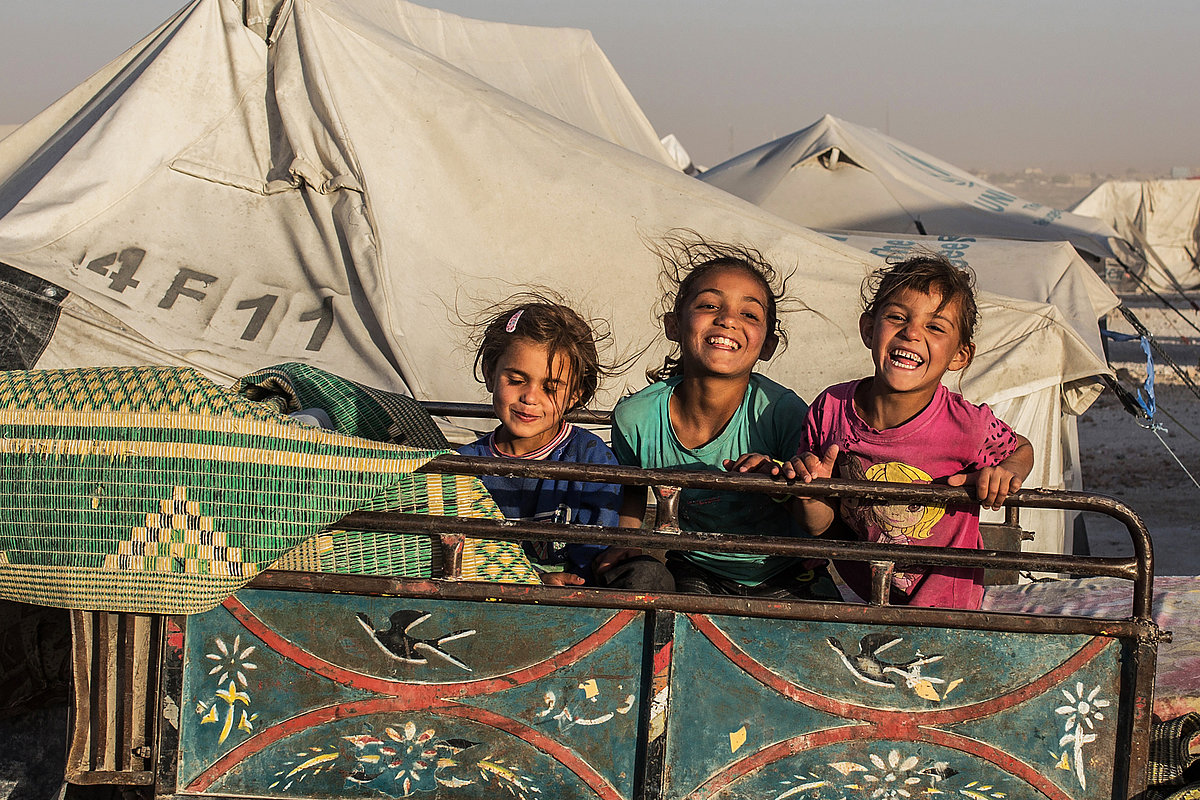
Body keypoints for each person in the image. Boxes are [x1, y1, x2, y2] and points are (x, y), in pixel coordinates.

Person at [732, 252, 1034, 609]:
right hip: (861, 591)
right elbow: (820, 525)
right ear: (868, 329)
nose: (911, 332)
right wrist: (807, 492)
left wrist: (1007, 473)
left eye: (935, 327)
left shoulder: (967, 424)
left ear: (959, 356)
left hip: (949, 601)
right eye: (897, 317)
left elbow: (1021, 448)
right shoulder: (830, 410)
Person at [607, 235, 838, 600]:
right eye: (709, 305)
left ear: (768, 346)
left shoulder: (781, 412)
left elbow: (819, 524)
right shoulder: (636, 418)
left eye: (749, 314)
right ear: (674, 326)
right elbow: (630, 490)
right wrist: (624, 544)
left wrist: (798, 489)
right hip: (696, 569)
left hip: (788, 572)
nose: (728, 319)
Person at [458, 297, 673, 590]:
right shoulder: (463, 464)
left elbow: (596, 550)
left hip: (581, 587)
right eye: (517, 380)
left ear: (575, 395)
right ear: (490, 374)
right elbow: (467, 553)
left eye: (550, 388)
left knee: (649, 576)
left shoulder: (590, 456)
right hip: (498, 590)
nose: (530, 398)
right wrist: (531, 578)